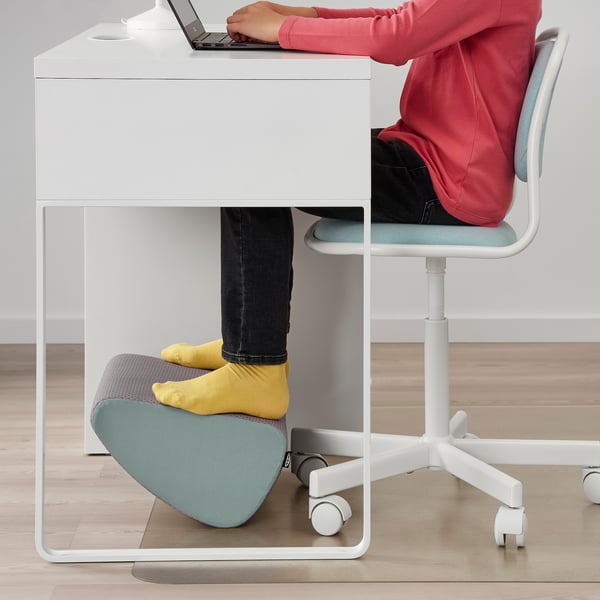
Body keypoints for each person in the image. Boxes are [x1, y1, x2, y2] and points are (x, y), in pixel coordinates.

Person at [152, 0, 542, 420]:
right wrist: (299, 16)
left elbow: (397, 39)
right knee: (261, 151)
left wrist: (282, 29)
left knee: (255, 167)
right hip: (434, 160)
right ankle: (245, 343)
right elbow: (398, 20)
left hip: (445, 182)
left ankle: (255, 367)